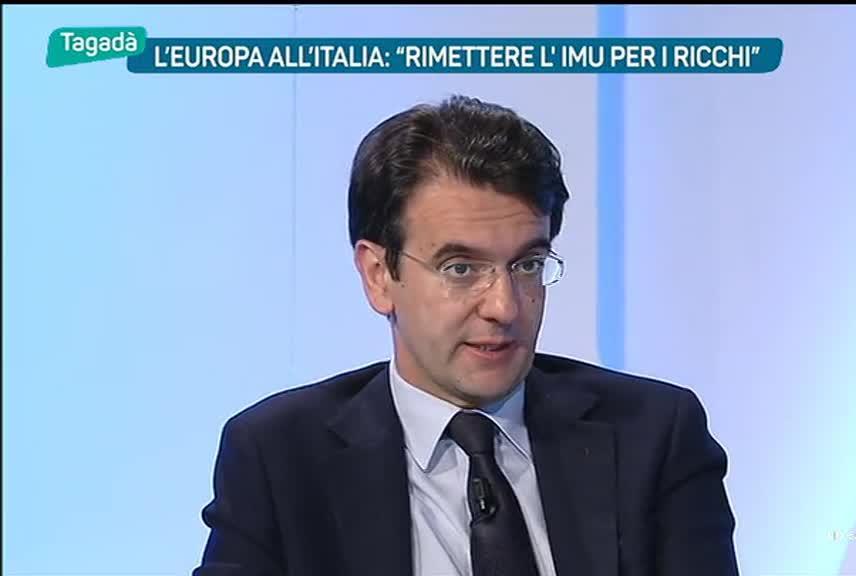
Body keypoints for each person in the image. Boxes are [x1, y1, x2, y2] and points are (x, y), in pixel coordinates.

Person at [193, 95, 739, 576]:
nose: (504, 306)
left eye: (527, 264)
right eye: (460, 268)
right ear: (379, 275)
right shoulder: (279, 457)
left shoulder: (655, 436)